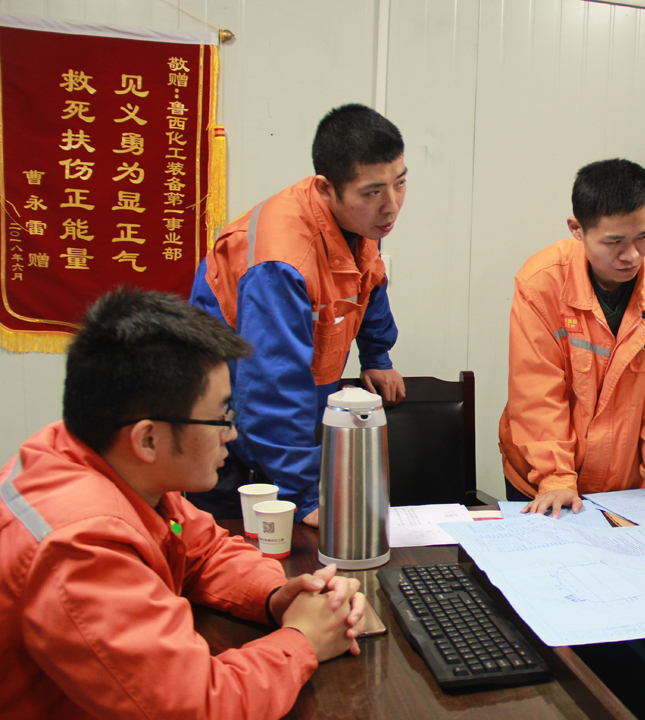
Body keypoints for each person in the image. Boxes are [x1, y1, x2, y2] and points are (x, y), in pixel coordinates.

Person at [0, 289, 367, 719]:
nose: (231, 434)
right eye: (221, 417)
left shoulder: (107, 458)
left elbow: (203, 548)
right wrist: (303, 640)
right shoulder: (80, 546)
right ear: (148, 438)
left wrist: (276, 596)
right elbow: (197, 706)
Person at [190, 103, 407, 527]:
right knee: (238, 549)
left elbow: (367, 278)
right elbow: (271, 388)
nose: (392, 206)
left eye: (400, 183)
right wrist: (305, 496)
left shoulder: (361, 222)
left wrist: (377, 356)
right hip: (230, 423)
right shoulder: (281, 262)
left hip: (293, 416)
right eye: (373, 192)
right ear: (327, 188)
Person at [499, 158, 645, 518]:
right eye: (613, 242)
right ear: (577, 229)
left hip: (627, 483)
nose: (631, 256)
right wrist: (555, 477)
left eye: (644, 236)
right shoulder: (541, 282)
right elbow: (537, 392)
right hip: (542, 476)